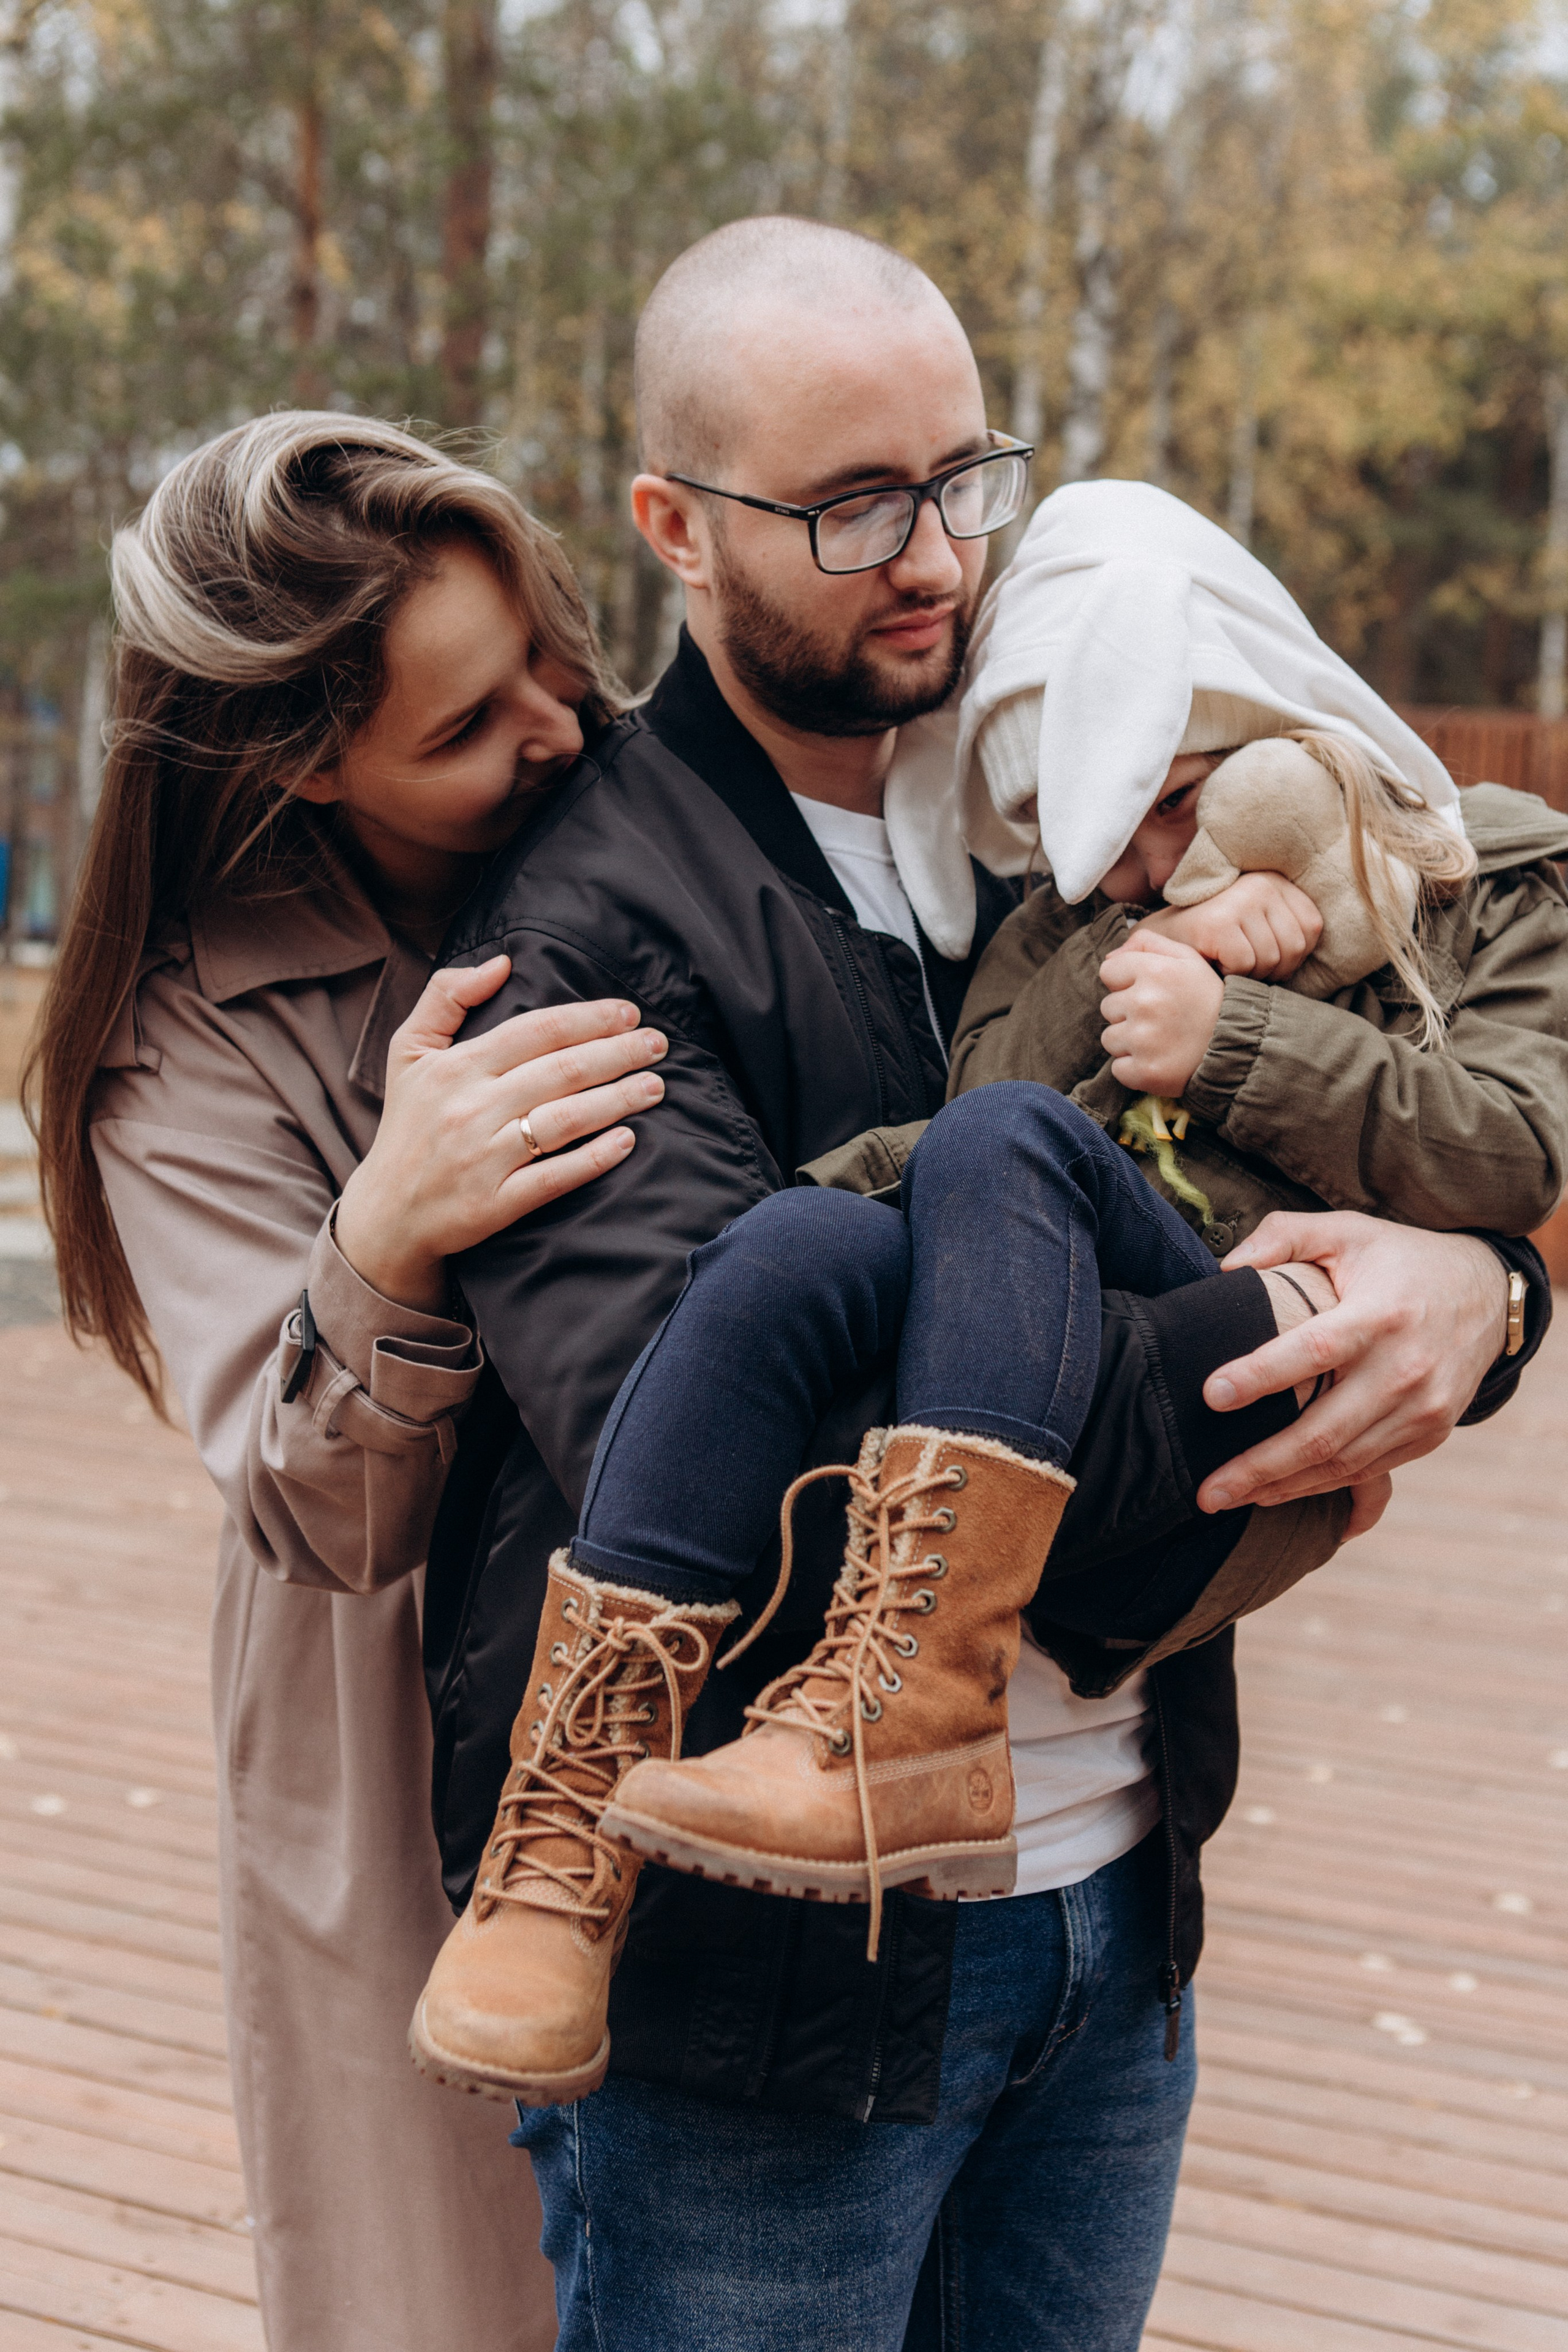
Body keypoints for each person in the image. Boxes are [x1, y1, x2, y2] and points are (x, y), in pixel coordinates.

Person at [408, 216, 1550, 2350]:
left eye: (965, 475)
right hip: (757, 2001)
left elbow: (1406, 1116)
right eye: (851, 504)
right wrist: (1303, 1356)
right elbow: (748, 1455)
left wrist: (1479, 1293)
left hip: (1112, 1918)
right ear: (673, 522)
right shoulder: (578, 932)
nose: (935, 553)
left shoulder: (1075, 813)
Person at [28, 412, 674, 2352]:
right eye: (471, 725)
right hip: (385, 1713)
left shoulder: (664, 822)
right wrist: (388, 1235)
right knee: (443, 2279)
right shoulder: (178, 1045)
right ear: (304, 760)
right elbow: (312, 1501)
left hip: (712, 1637)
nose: (561, 725)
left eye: (554, 650)